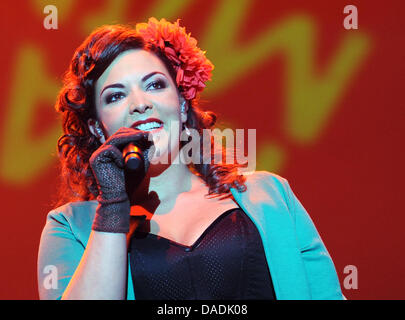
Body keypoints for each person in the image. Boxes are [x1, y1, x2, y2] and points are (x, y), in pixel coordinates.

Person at [37, 17, 344, 300]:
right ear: (98, 128)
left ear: (182, 105)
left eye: (155, 85)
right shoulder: (69, 228)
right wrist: (114, 207)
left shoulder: (272, 197)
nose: (140, 103)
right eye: (116, 96)